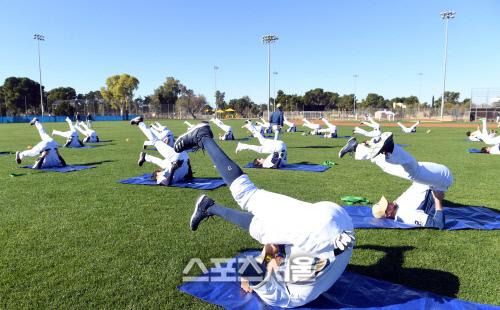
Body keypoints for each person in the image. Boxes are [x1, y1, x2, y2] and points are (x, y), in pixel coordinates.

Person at [173, 122, 355, 308]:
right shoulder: (286, 297)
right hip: (322, 236)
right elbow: (254, 269)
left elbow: (274, 250)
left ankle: (209, 207)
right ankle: (202, 137)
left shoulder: (296, 287)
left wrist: (267, 261)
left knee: (262, 230)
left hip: (340, 223)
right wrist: (248, 278)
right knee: (246, 195)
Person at [338, 132, 453, 229]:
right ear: (388, 214)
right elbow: (438, 225)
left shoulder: (397, 203)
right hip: (440, 181)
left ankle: (358, 148)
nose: (389, 202)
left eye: (387, 202)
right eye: (387, 205)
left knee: (389, 168)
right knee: (414, 173)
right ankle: (391, 147)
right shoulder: (406, 216)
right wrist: (438, 201)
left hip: (428, 176)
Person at [130, 116, 192, 186]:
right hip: (178, 158)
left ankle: (146, 157)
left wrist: (176, 168)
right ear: (157, 174)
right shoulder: (159, 176)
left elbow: (189, 176)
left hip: (183, 158)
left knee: (162, 160)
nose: (160, 170)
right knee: (155, 141)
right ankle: (140, 123)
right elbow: (167, 183)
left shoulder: (166, 169)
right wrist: (173, 169)